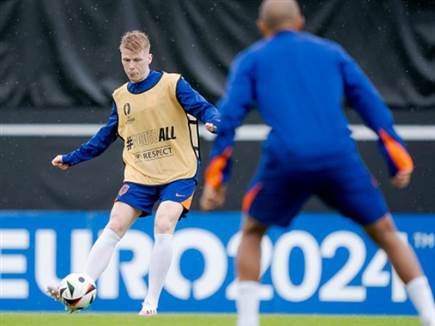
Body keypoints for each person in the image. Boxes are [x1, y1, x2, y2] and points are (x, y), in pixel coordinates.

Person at [200, 1, 435, 325]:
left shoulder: (251, 60)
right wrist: (395, 152)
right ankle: (430, 315)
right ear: (300, 22)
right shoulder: (331, 53)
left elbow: (228, 119)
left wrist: (217, 177)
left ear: (261, 26)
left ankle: (248, 321)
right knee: (386, 232)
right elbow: (370, 103)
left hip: (287, 159)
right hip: (338, 156)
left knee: (252, 231)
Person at [49, 30, 220, 316]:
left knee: (164, 222)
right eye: (126, 60)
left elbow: (204, 109)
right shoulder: (120, 96)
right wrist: (71, 158)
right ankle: (80, 289)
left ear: (149, 57)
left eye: (137, 59)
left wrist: (214, 121)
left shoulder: (172, 84)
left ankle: (150, 304)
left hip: (178, 171)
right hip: (140, 174)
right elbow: (104, 138)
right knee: (115, 223)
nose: (132, 66)